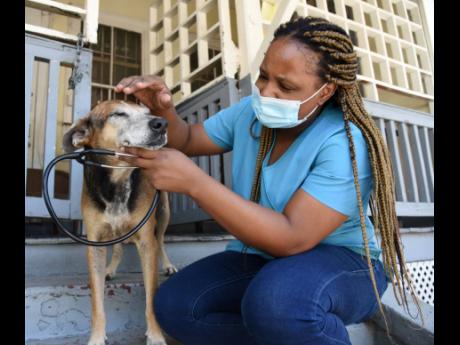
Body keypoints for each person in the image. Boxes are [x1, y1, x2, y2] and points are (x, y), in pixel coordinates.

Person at [115, 16, 420, 345]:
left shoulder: (345, 143)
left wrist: (195, 183)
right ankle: (297, 331)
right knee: (176, 306)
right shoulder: (251, 112)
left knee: (277, 304)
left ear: (325, 91)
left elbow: (292, 238)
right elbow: (187, 139)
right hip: (263, 258)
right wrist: (163, 110)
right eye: (263, 76)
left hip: (345, 264)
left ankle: (303, 326)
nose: (266, 91)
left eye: (285, 86)